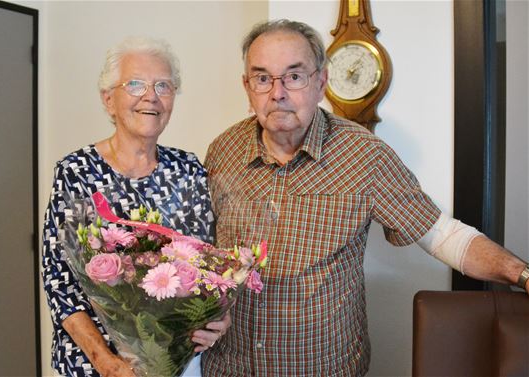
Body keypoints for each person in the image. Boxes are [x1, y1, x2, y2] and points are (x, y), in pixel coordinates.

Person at [201, 19, 529, 376]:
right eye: (262, 78)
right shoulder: (223, 151)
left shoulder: (364, 155)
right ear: (247, 87)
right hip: (227, 366)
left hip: (322, 369)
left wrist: (522, 274)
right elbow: (198, 251)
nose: (277, 92)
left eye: (294, 76)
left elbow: (442, 235)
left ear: (321, 82)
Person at [42, 36, 229, 377]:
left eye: (163, 85)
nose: (151, 96)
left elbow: (207, 268)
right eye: (136, 84)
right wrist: (108, 364)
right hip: (94, 366)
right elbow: (60, 282)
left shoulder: (188, 169)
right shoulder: (76, 172)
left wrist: (216, 316)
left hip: (176, 364)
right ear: (108, 100)